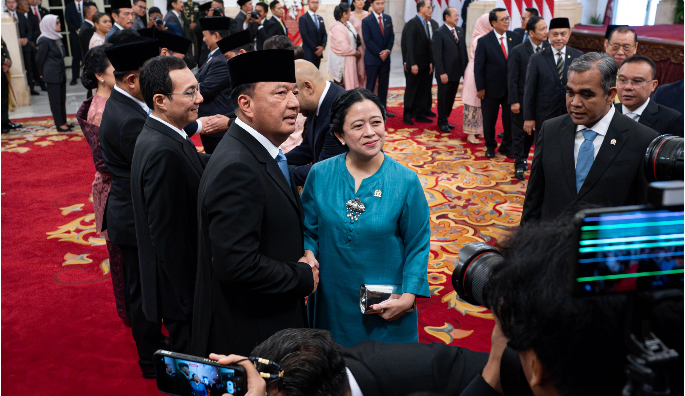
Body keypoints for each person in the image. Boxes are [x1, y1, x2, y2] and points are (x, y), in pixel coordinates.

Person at [191, 49, 318, 358]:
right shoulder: (238, 167)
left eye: (292, 91)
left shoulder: (259, 150)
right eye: (279, 93)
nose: (293, 102)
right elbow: (236, 265)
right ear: (245, 105)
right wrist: (301, 276)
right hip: (254, 328)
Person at [301, 88, 430, 346]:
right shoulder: (320, 174)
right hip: (332, 296)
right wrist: (309, 253)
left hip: (383, 303)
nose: (370, 133)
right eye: (358, 126)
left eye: (376, 122)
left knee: (381, 376)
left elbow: (418, 243)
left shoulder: (405, 181)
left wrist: (409, 295)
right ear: (340, 135)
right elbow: (309, 230)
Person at [521, 52, 659, 225]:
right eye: (570, 93)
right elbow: (534, 199)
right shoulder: (550, 129)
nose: (575, 103)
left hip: (603, 247)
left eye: (586, 95)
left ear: (610, 94)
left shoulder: (642, 139)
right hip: (551, 242)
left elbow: (643, 210)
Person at [99, 36, 166, 378]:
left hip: (132, 209)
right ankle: (151, 361)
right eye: (151, 75)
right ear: (131, 80)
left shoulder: (129, 103)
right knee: (141, 293)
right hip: (133, 216)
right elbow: (155, 165)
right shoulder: (128, 119)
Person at [132, 55, 207, 355]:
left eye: (197, 89)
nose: (199, 98)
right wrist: (192, 299)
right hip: (181, 295)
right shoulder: (162, 150)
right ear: (161, 100)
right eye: (189, 92)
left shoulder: (166, 134)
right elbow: (168, 237)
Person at [75, 45, 129, 325]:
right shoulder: (100, 110)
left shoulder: (111, 102)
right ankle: (129, 312)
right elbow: (104, 162)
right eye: (113, 70)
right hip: (113, 191)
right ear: (100, 76)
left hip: (116, 187)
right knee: (120, 259)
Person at [522, 17, 583, 178]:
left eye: (563, 34)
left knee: (569, 149)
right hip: (544, 115)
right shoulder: (537, 58)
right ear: (548, 35)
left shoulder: (578, 57)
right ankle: (539, 179)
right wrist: (528, 117)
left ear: (569, 35)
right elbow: (529, 90)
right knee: (543, 152)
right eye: (554, 34)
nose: (559, 38)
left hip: (571, 114)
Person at [287, 60, 347, 185]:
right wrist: (277, 160)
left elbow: (324, 172)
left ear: (308, 87)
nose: (292, 103)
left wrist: (276, 171)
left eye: (294, 94)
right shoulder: (316, 102)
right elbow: (307, 149)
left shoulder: (339, 110)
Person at [474, 8, 522, 158]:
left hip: (510, 89)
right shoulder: (484, 41)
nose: (507, 21)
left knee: (509, 120)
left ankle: (506, 146)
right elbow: (478, 67)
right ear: (494, 23)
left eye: (507, 18)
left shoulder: (516, 37)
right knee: (489, 120)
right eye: (503, 19)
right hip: (490, 89)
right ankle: (490, 146)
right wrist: (480, 87)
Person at [507, 15, 548, 180]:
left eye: (546, 28)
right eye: (542, 29)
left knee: (533, 135)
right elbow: (512, 78)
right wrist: (514, 101)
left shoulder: (548, 50)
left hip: (541, 102)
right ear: (531, 32)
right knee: (519, 133)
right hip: (522, 101)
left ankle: (526, 158)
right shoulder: (518, 50)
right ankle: (518, 164)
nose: (546, 32)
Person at [615, 55, 683, 137]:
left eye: (637, 81)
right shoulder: (606, 112)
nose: (628, 87)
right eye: (622, 80)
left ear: (653, 85)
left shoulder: (671, 120)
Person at [195, 16, 232, 153]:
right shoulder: (214, 56)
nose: (203, 39)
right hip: (211, 123)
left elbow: (206, 89)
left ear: (216, 36)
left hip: (217, 124)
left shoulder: (221, 60)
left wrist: (185, 88)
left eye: (205, 36)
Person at [401, 0, 437, 126]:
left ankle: (420, 113)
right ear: (421, 8)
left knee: (424, 89)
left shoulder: (428, 24)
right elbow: (409, 45)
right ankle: (407, 114)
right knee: (411, 89)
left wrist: (432, 62)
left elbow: (429, 46)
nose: (431, 9)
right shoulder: (412, 23)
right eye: (429, 7)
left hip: (426, 65)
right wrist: (412, 63)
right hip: (415, 65)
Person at [432, 7, 467, 134]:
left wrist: (465, 70)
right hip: (445, 73)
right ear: (447, 17)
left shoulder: (459, 30)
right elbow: (437, 55)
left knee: (451, 97)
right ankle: (441, 121)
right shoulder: (439, 32)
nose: (457, 17)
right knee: (443, 97)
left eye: (458, 15)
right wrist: (441, 72)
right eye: (455, 15)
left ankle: (446, 118)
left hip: (456, 72)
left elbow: (463, 52)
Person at [36, 15, 70, 132]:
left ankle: (64, 121)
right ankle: (59, 124)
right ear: (49, 25)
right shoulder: (44, 40)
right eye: (56, 23)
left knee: (61, 99)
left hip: (60, 72)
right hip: (51, 74)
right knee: (55, 101)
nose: (59, 25)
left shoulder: (56, 37)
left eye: (59, 22)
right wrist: (40, 74)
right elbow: (39, 59)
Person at [461, 13, 492, 144]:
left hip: (481, 72)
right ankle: (470, 133)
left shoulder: (485, 37)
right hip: (475, 73)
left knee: (480, 104)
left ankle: (478, 130)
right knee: (472, 103)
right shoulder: (479, 39)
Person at [361, 0, 395, 117]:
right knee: (370, 85)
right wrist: (380, 52)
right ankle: (369, 111)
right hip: (372, 58)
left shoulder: (388, 18)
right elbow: (367, 40)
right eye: (378, 3)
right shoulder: (366, 21)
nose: (381, 6)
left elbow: (391, 37)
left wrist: (388, 51)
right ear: (372, 5)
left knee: (384, 85)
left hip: (385, 59)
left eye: (382, 3)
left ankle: (383, 109)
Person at [327, 3, 361, 90]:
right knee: (342, 88)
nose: (350, 13)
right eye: (349, 12)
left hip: (350, 59)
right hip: (341, 62)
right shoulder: (336, 27)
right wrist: (355, 53)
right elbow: (343, 47)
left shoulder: (348, 24)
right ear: (344, 14)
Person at [2, 39, 22, 134]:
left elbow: (4, 49)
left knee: (4, 97)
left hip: (2, 70)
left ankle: (5, 122)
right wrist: (4, 61)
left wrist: (8, 63)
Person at [299, 0, 326, 68]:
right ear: (308, 3)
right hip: (308, 53)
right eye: (313, 2)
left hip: (318, 54)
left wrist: (322, 47)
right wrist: (316, 50)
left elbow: (324, 34)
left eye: (317, 2)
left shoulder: (320, 18)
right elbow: (304, 36)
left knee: (316, 75)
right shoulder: (303, 18)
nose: (315, 4)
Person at [64, 0, 85, 85]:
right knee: (76, 56)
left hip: (87, 33)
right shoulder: (69, 6)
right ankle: (74, 77)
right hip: (75, 34)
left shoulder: (89, 3)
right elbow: (68, 21)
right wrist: (76, 30)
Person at [348, 0, 368, 87]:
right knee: (358, 70)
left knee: (367, 70)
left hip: (368, 46)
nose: (361, 2)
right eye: (358, 0)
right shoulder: (350, 16)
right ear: (353, 2)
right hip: (356, 47)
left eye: (362, 0)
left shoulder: (368, 14)